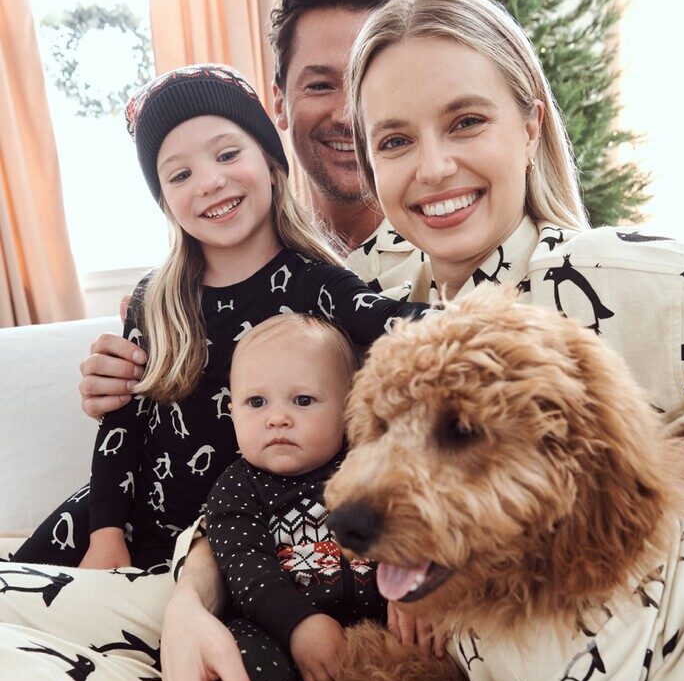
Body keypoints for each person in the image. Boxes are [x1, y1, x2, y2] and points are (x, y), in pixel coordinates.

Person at [157, 0, 684, 681]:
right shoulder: (359, 288)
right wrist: (185, 606)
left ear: (528, 124)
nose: (433, 168)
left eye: (466, 121)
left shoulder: (637, 282)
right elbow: (275, 460)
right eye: (395, 140)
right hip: (420, 656)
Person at [14, 63, 427, 571]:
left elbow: (398, 324)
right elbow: (121, 429)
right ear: (166, 201)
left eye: (228, 154)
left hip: (239, 542)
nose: (210, 181)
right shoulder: (155, 300)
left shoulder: (316, 284)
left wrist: (501, 317)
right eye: (181, 174)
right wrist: (104, 536)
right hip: (119, 524)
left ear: (270, 162)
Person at [78, 0, 423, 426]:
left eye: (366, 82)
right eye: (320, 84)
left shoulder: (449, 252)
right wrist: (122, 382)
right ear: (279, 104)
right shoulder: (178, 294)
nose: (347, 113)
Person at [200, 313, 404, 681]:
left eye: (304, 401)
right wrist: (298, 625)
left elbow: (412, 528)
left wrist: (415, 592)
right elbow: (244, 569)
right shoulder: (239, 486)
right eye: (256, 403)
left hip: (379, 631)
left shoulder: (368, 467)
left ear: (350, 408)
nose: (278, 420)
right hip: (276, 630)